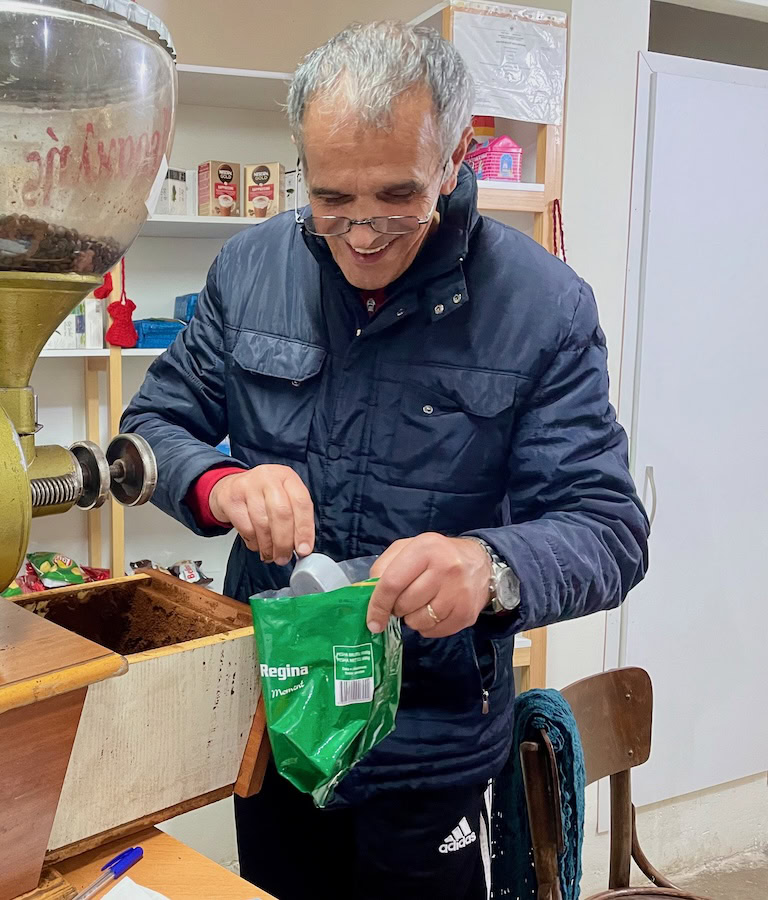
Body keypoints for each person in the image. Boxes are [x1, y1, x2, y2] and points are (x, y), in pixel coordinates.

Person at [120, 21, 650, 900]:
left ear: (453, 160)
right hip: (282, 722)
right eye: (332, 201)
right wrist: (221, 484)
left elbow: (609, 529)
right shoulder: (250, 271)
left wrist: (489, 566)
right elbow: (154, 429)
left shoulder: (544, 307)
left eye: (397, 197)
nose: (361, 234)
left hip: (432, 749)